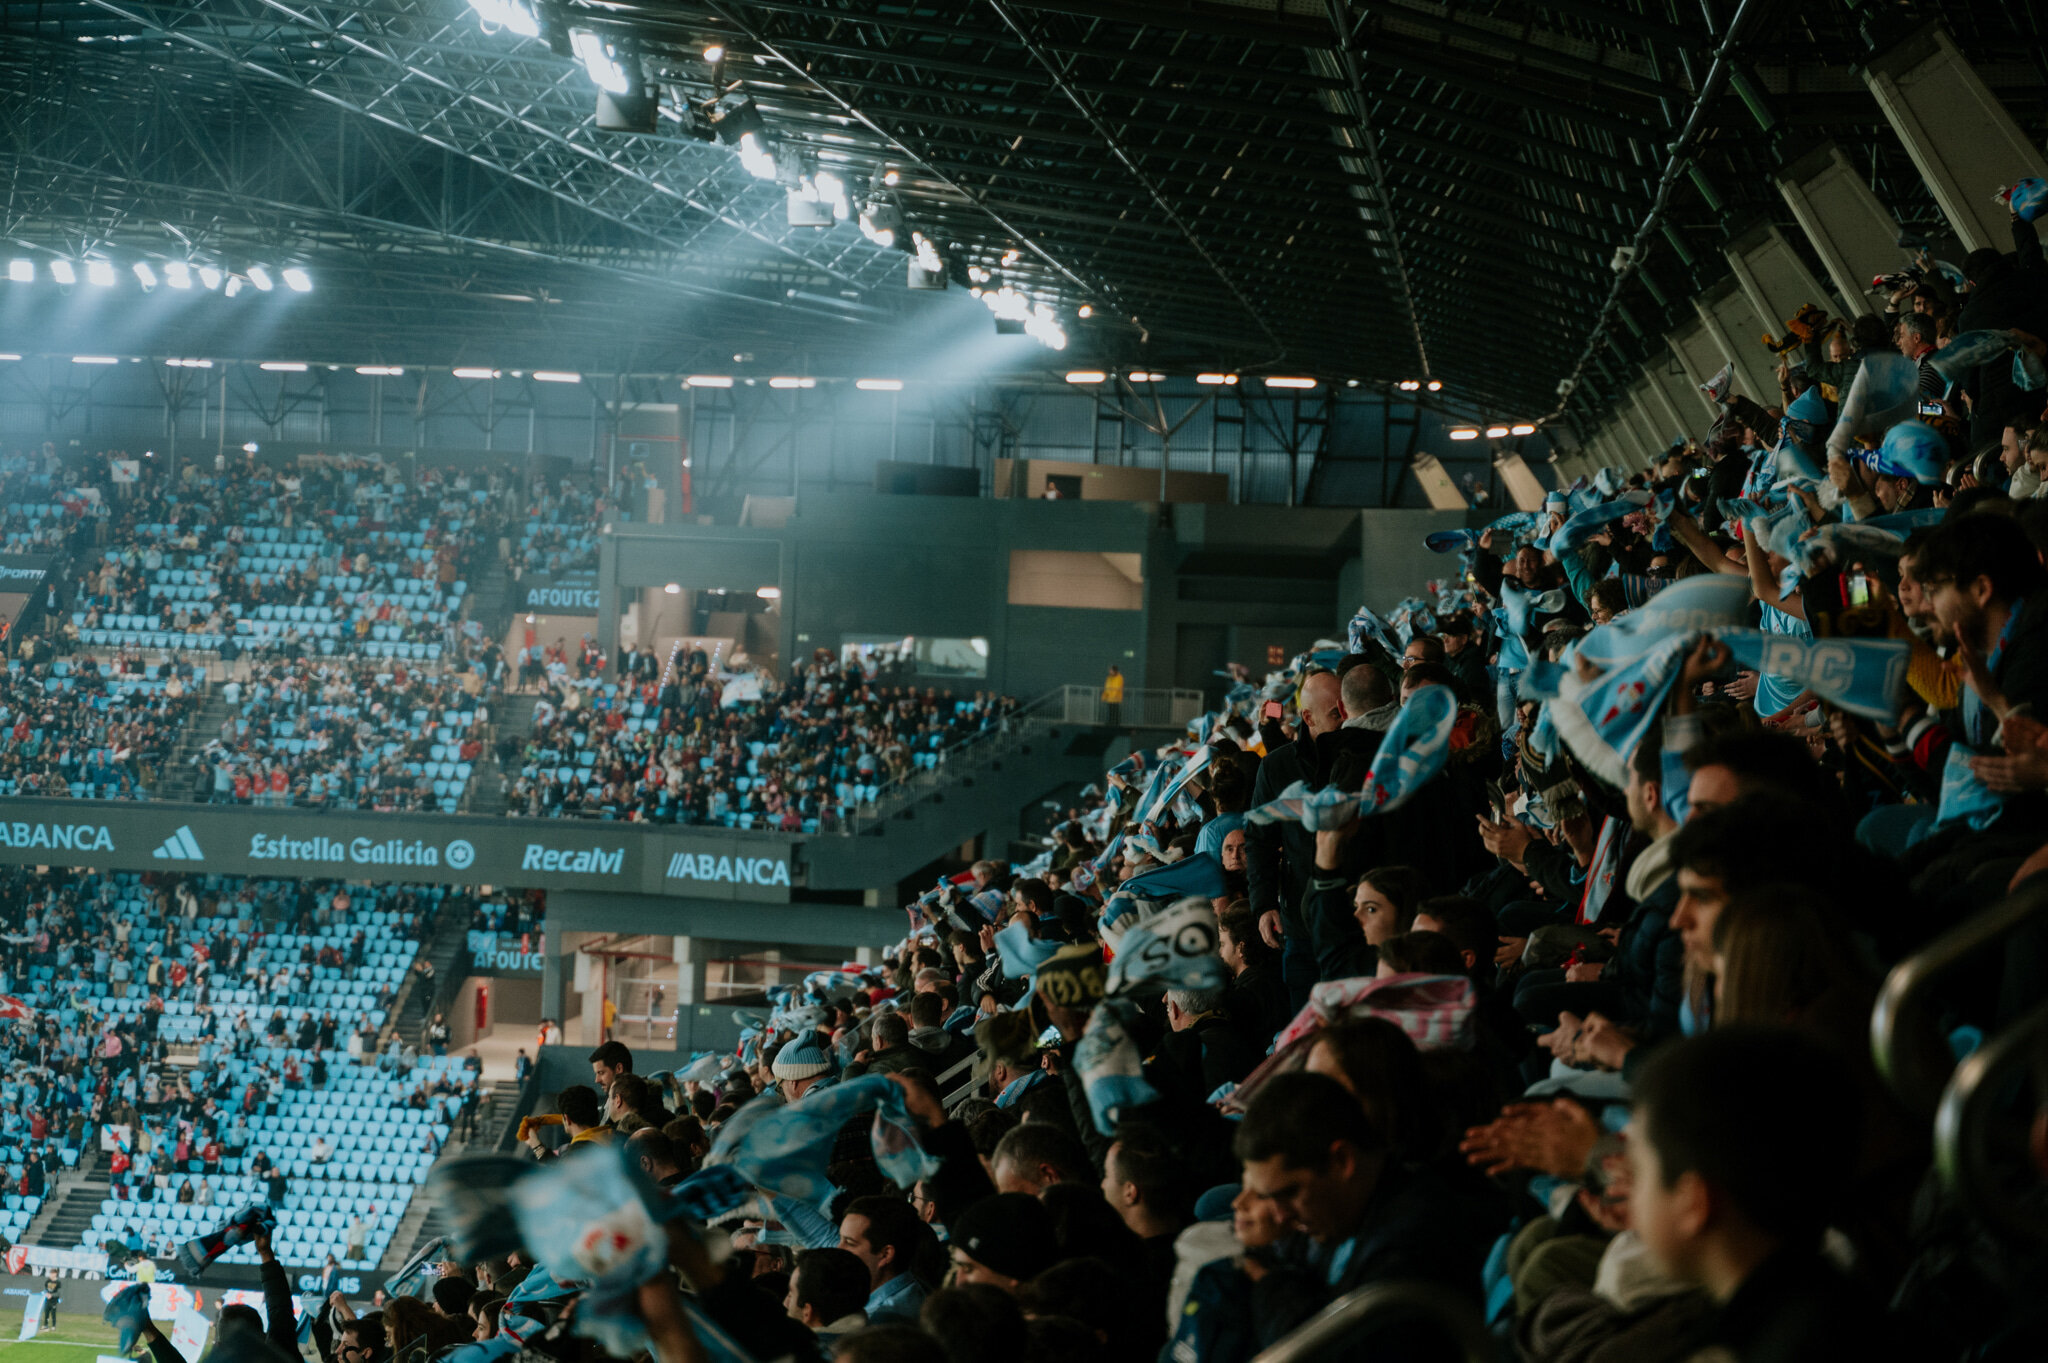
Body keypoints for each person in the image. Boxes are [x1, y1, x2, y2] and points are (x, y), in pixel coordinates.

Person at [1627, 1027, 1906, 1360]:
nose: (1630, 1196)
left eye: (1637, 1172)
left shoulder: (1775, 1348)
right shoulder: (1841, 1308)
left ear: (1694, 1203)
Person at [839, 1195, 933, 1325]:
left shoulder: (880, 1322)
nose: (838, 1249)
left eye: (849, 1243)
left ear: (885, 1254)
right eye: (841, 1239)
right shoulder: (917, 1288)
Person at [783, 1248, 873, 1347]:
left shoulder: (800, 1351)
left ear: (807, 1312)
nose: (785, 1303)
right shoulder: (875, 1335)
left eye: (791, 1294)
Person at [1101, 665, 1124, 729]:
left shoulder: (1119, 678)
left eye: (1111, 670)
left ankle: (1116, 722)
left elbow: (1118, 687)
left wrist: (1113, 696)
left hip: (1116, 698)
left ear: (1115, 671)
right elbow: (1106, 687)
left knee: (1115, 710)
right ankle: (1111, 722)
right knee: (1111, 710)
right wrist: (1104, 696)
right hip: (1110, 697)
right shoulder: (1109, 677)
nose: (1110, 671)